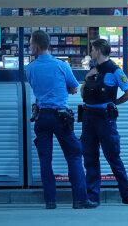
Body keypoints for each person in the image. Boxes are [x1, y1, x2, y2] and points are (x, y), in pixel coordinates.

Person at [26, 30, 98, 209]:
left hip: (42, 117)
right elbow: (74, 88)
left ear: (36, 45)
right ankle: (80, 200)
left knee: (45, 159)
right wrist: (62, 90)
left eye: (30, 43)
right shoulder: (62, 66)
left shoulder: (30, 68)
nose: (29, 47)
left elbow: (36, 87)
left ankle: (50, 201)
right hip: (61, 117)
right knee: (74, 155)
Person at [81, 39, 128, 206]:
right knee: (90, 157)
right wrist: (86, 78)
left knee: (113, 157)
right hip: (88, 116)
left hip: (104, 119)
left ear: (99, 50)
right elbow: (82, 95)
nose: (91, 53)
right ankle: (92, 197)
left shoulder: (115, 71)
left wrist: (113, 104)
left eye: (92, 50)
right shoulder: (92, 70)